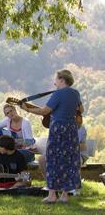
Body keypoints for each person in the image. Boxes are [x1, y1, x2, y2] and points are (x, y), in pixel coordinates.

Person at [20, 69, 84, 204]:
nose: (54, 82)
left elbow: (44, 111)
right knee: (68, 160)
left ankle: (52, 195)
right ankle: (65, 195)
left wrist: (27, 109)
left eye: (56, 79)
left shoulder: (58, 94)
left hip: (58, 129)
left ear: (61, 79)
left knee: (53, 159)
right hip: (71, 129)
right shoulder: (75, 93)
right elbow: (81, 110)